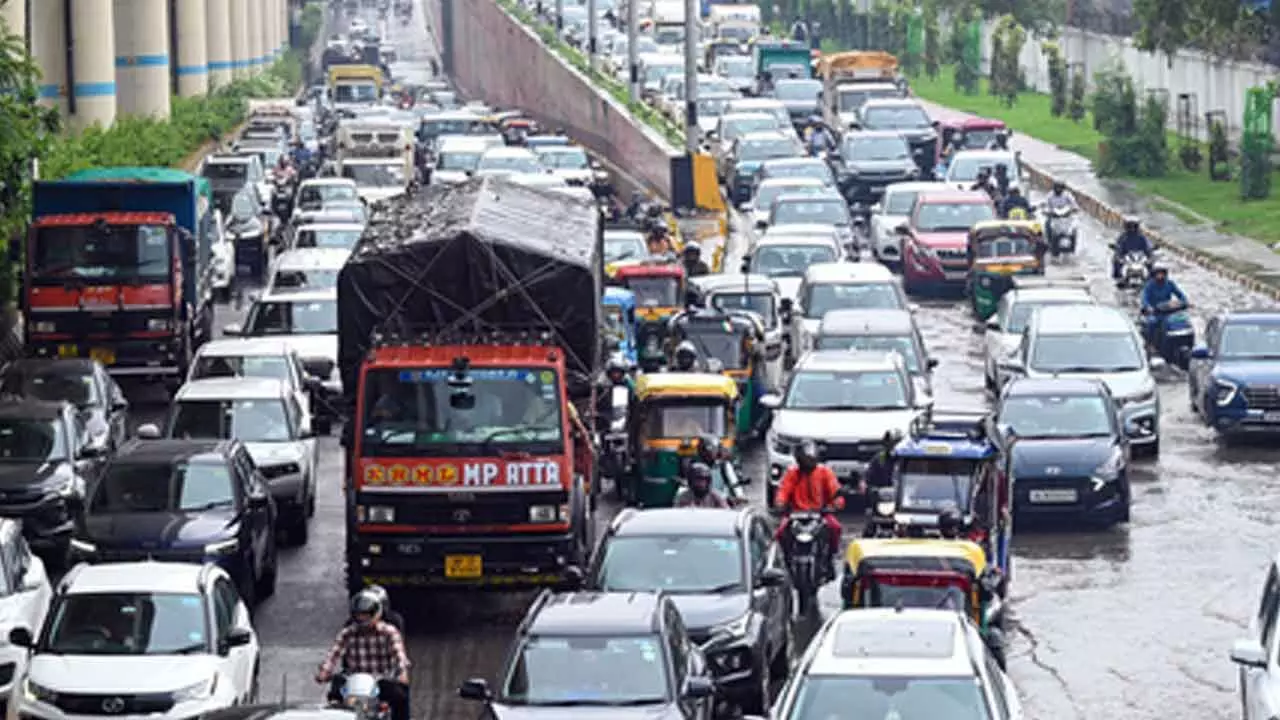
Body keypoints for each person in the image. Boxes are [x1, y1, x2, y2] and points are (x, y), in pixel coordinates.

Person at [317, 591, 411, 720]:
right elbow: (334, 654)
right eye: (359, 615)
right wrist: (324, 672)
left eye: (366, 615)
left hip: (381, 680)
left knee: (400, 696)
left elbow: (399, 654)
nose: (362, 618)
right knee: (335, 691)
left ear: (376, 613)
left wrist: (402, 672)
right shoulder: (347, 633)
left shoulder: (389, 632)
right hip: (352, 680)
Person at [774, 442, 845, 581]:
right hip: (795, 514)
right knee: (780, 532)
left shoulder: (824, 472)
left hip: (820, 513)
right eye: (804, 460)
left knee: (835, 528)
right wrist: (780, 502)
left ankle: (830, 558)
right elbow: (783, 491)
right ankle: (786, 560)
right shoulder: (792, 473)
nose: (808, 463)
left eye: (810, 460)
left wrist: (837, 502)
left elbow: (835, 491)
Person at [1139, 265, 1188, 347]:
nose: (1160, 276)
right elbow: (1144, 298)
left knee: (1179, 321)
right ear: (1154, 275)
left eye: (1162, 274)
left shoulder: (1170, 284)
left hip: (1167, 311)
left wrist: (1184, 302)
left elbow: (1180, 294)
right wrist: (1148, 307)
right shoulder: (1149, 285)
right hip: (1154, 312)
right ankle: (1150, 344)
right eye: (1158, 274)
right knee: (1152, 323)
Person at [1112, 216, 1153, 283]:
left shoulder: (1142, 237)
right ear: (1126, 226)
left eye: (1134, 226)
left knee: (1151, 264)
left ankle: (1150, 278)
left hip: (1139, 257)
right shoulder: (1122, 237)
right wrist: (1118, 256)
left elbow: (1147, 247)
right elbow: (1119, 248)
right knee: (1116, 261)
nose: (1132, 229)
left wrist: (1150, 256)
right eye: (1130, 226)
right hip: (1126, 257)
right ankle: (1118, 276)